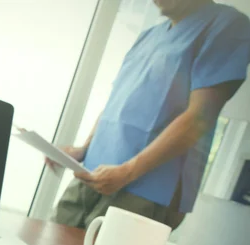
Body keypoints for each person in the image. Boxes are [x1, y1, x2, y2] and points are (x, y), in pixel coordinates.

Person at [50, 0, 250, 230]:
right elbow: (116, 102)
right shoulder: (148, 36)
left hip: (146, 190)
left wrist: (126, 172)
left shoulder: (227, 25)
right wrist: (83, 149)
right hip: (94, 174)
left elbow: (199, 117)